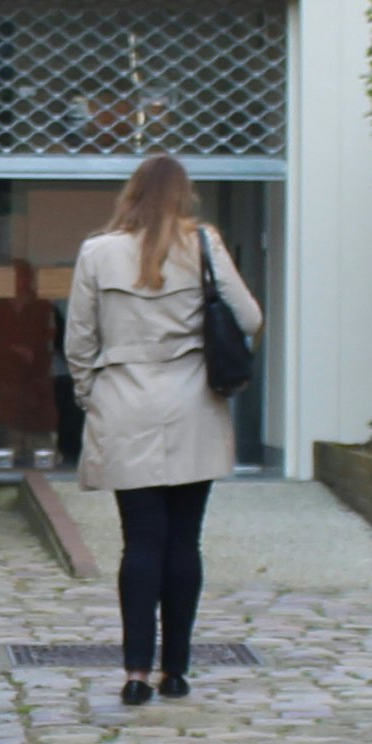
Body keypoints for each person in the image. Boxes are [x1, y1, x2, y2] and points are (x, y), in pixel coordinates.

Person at [64, 153, 255, 706]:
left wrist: (91, 396)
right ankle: (177, 669)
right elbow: (249, 318)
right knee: (184, 540)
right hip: (194, 401)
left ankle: (134, 673)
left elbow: (79, 340)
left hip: (124, 401)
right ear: (182, 195)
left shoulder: (97, 253)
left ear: (131, 193)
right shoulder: (204, 245)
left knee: (140, 541)